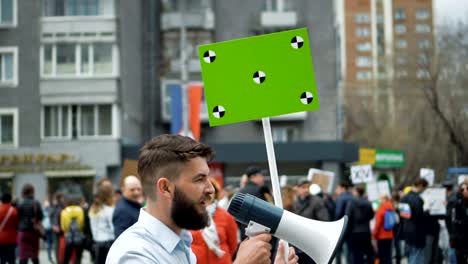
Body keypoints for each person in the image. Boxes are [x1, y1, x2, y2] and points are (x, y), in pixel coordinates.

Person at [106, 134, 298, 264]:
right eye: (199, 179)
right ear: (165, 187)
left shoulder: (181, 246)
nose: (210, 190)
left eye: (208, 177)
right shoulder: (134, 253)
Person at [190, 178, 238, 264]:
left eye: (209, 191)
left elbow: (233, 244)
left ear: (215, 193)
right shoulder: (188, 215)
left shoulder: (225, 216)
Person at [292, 180, 329, 263]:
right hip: (297, 243)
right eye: (303, 187)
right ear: (297, 189)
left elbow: (324, 221)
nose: (306, 190)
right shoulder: (293, 202)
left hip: (312, 242)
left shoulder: (317, 201)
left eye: (308, 187)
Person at [399, 177, 428, 264]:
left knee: (411, 256)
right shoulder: (418, 199)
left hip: (407, 232)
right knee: (417, 258)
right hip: (417, 234)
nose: (424, 190)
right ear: (420, 186)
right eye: (424, 188)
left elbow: (403, 216)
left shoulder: (404, 198)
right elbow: (420, 217)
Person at [345, 185, 375, 264]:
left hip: (354, 232)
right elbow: (372, 215)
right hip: (366, 231)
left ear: (356, 192)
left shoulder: (351, 203)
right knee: (368, 253)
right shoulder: (368, 203)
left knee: (356, 254)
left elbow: (348, 216)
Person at [89, 182, 115, 264]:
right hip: (108, 242)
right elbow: (113, 228)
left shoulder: (92, 210)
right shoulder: (109, 210)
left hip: (97, 243)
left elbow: (92, 228)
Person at [17, 184, 43, 264]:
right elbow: (41, 216)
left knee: (23, 256)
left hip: (23, 232)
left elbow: (17, 217)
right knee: (34, 256)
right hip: (33, 232)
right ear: (32, 192)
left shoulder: (20, 204)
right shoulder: (36, 203)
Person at [61, 193, 86, 264]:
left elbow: (63, 226)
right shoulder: (80, 210)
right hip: (79, 237)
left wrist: (67, 231)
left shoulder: (64, 211)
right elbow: (82, 223)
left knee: (66, 257)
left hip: (68, 237)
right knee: (78, 257)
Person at [448, 180, 468, 264]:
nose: (465, 191)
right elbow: (450, 220)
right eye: (462, 189)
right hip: (459, 239)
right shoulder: (455, 203)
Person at [372, 195, 395, 264]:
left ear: (384, 199)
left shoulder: (381, 209)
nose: (378, 201)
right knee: (388, 255)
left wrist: (374, 235)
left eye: (379, 199)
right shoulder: (391, 208)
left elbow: (378, 224)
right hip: (390, 235)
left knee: (382, 256)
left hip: (381, 236)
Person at [0, 193, 19, 264]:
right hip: (11, 239)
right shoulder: (14, 211)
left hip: (0, 239)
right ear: (10, 200)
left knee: (2, 259)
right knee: (12, 259)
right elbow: (17, 225)